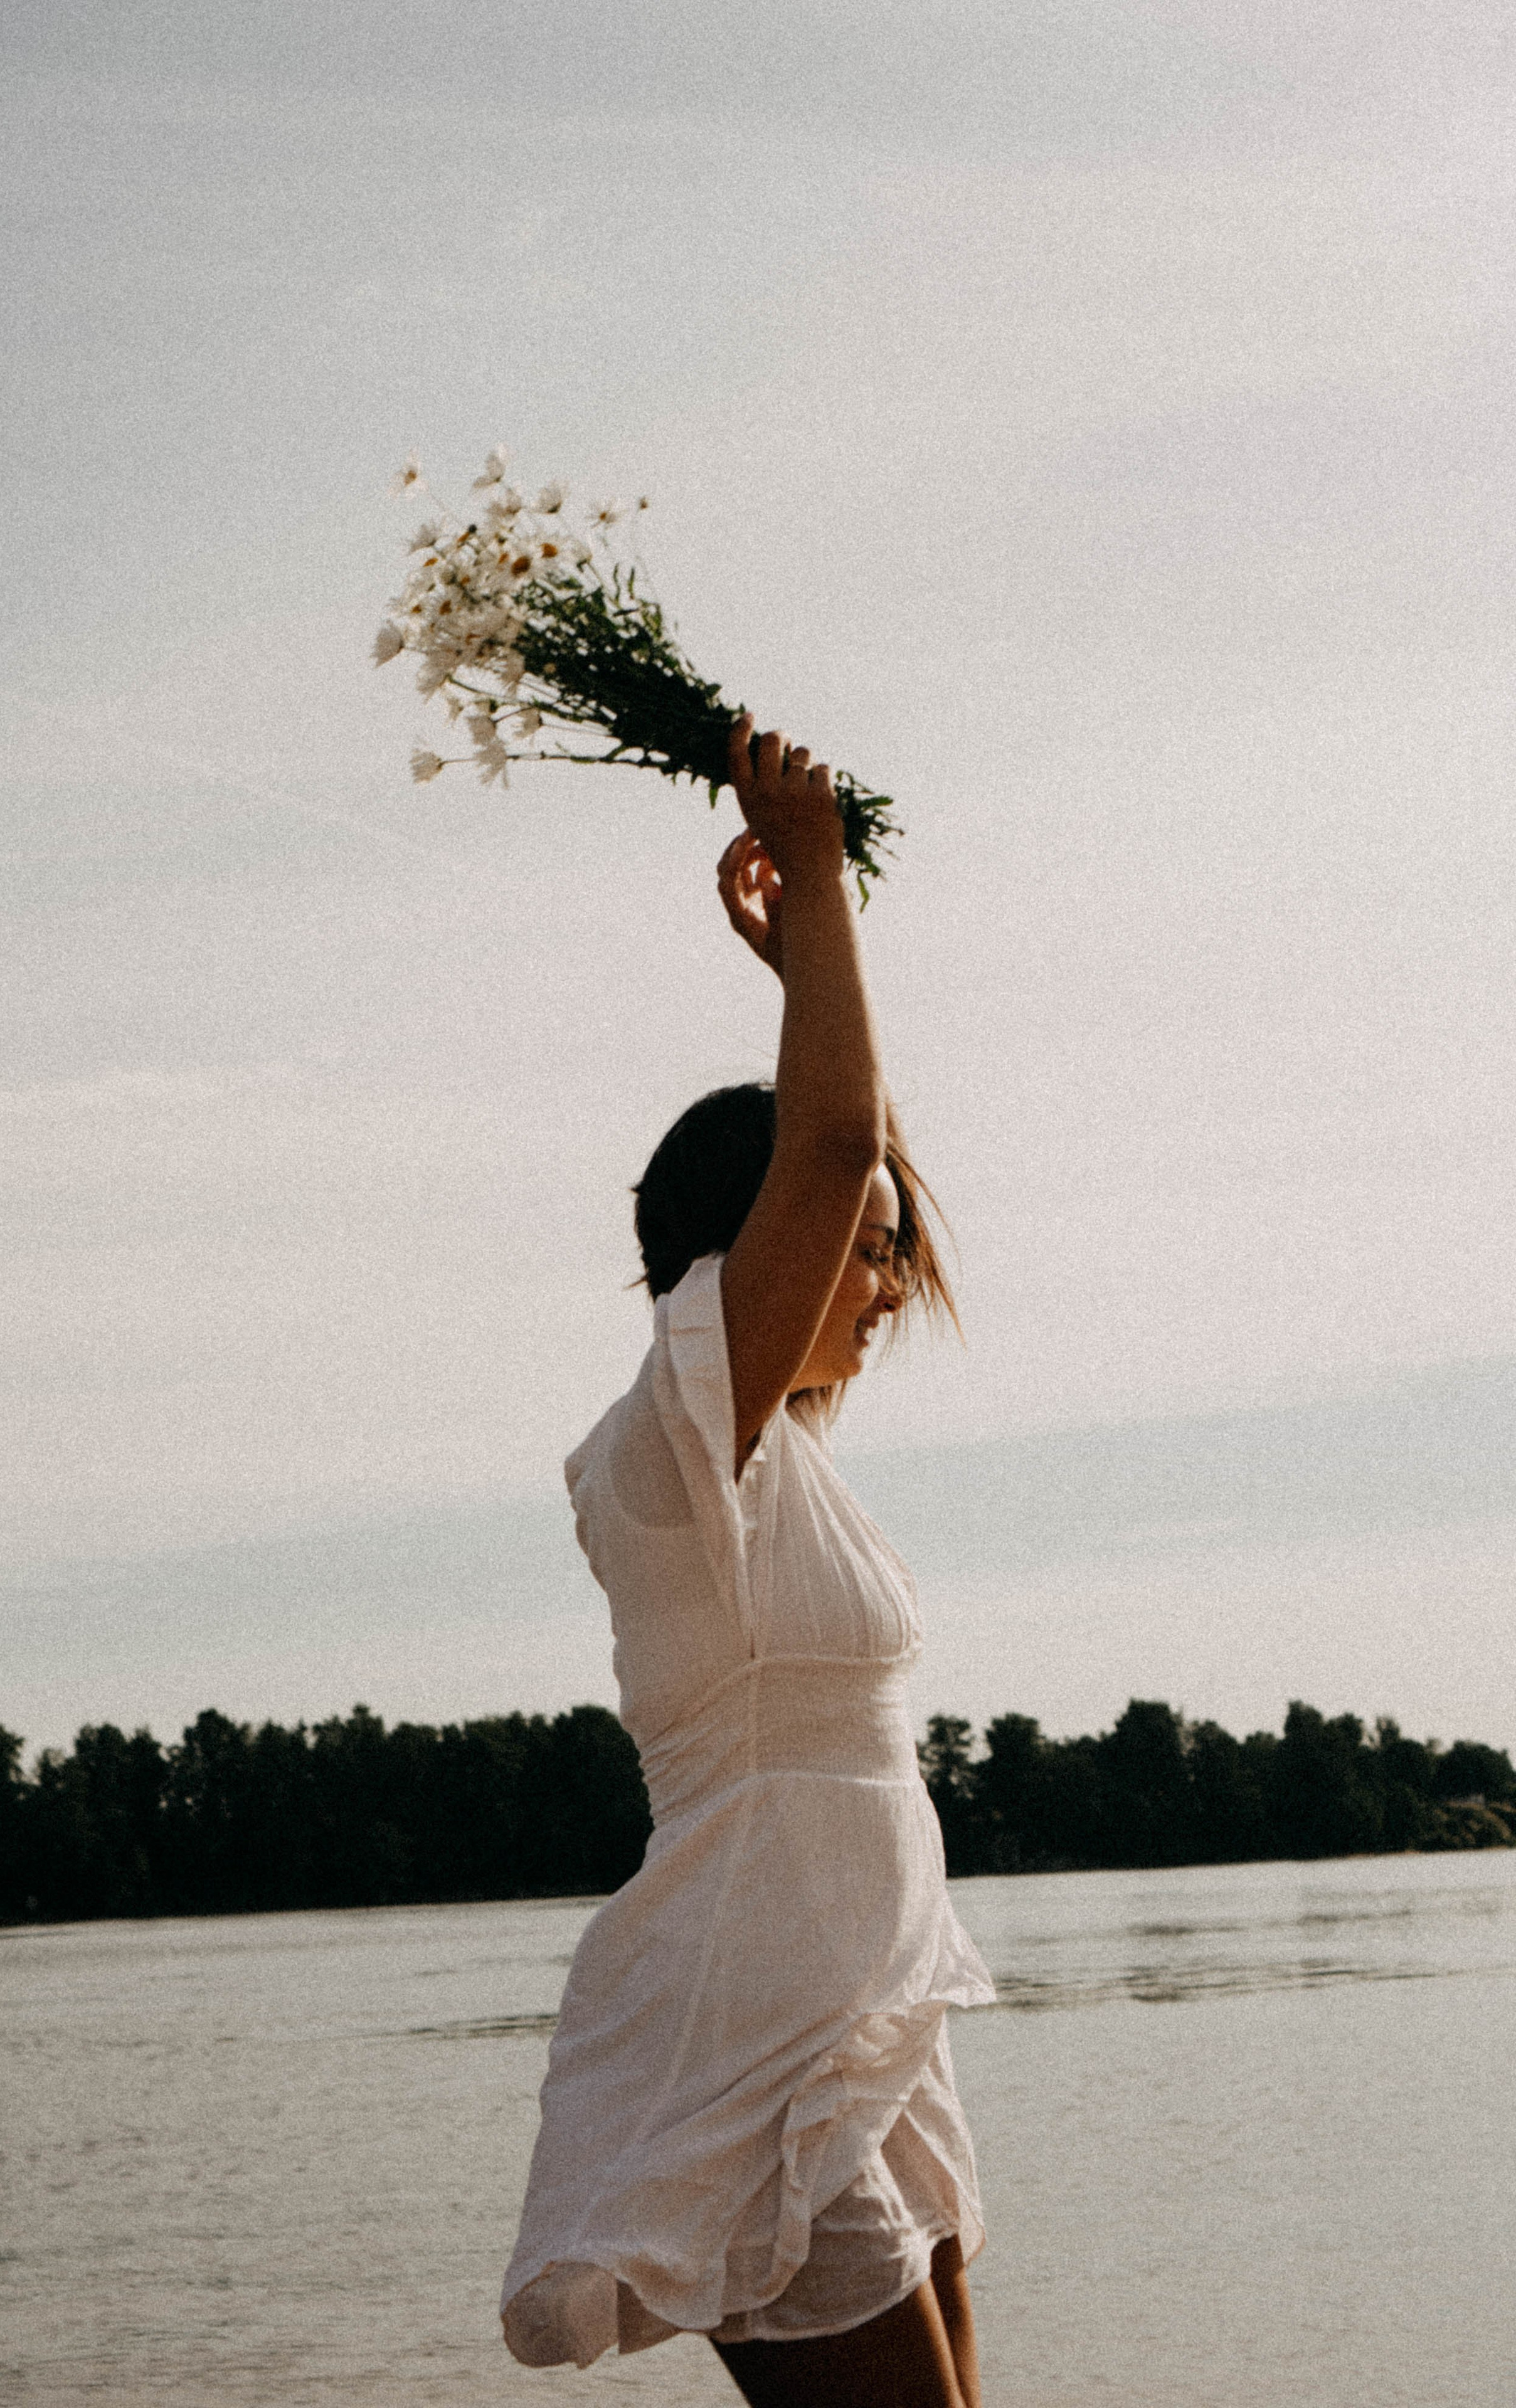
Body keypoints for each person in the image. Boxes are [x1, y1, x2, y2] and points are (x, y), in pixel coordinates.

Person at [499, 717, 994, 2406]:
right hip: (755, 2032)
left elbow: (861, 1158)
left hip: (865, 2020)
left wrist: (801, 969)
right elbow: (837, 1144)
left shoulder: (777, 1461)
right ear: (740, 1258)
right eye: (852, 1257)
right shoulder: (672, 1447)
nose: (885, 1278)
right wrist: (825, 887)